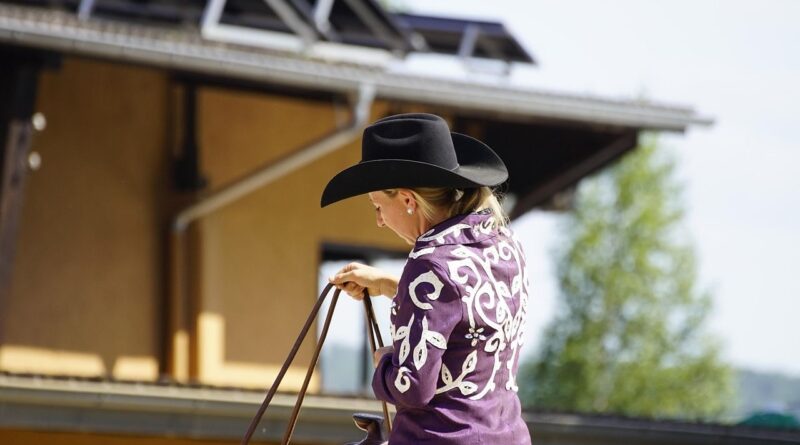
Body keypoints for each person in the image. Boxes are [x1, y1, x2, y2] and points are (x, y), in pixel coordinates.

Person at [321, 113, 531, 445]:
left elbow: (412, 387)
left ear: (407, 200)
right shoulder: (504, 245)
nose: (378, 220)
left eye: (377, 206)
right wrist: (393, 286)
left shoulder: (429, 261)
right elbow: (465, 312)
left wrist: (386, 362)